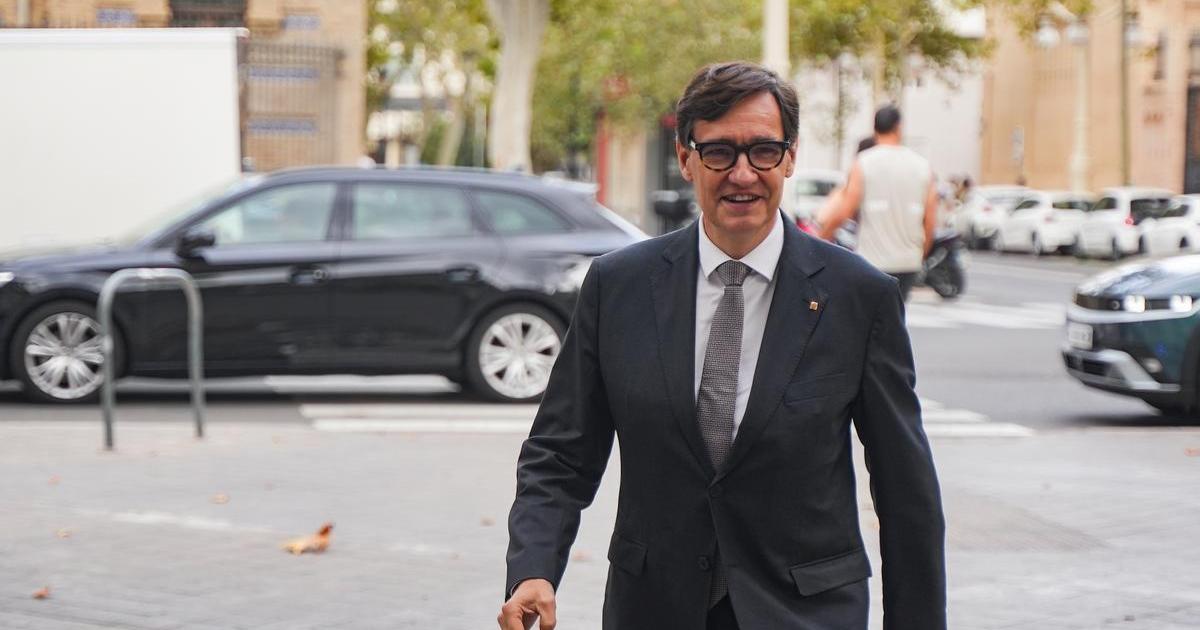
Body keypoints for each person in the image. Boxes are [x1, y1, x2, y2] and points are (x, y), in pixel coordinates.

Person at [499, 61, 945, 630]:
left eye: (763, 151)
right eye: (719, 152)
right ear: (686, 158)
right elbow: (561, 452)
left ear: (789, 157)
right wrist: (533, 569)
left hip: (804, 613)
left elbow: (905, 488)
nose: (742, 173)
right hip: (653, 608)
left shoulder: (858, 296)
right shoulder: (619, 286)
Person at [819, 105, 938, 301]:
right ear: (899, 127)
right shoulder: (922, 166)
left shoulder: (863, 162)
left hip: (873, 261)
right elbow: (930, 220)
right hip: (908, 261)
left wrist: (821, 239)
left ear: (874, 129)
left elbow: (845, 210)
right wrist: (920, 254)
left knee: (868, 316)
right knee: (897, 314)